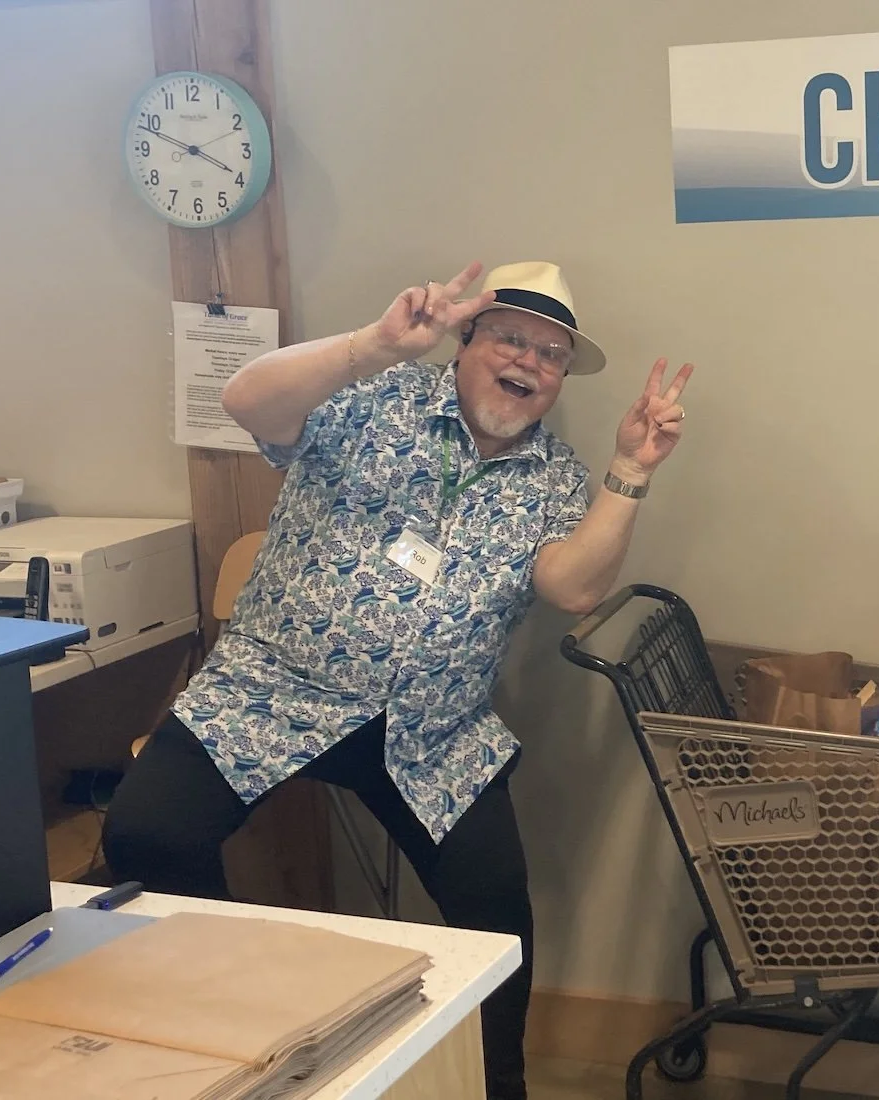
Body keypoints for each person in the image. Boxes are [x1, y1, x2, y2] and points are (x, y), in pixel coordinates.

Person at [102, 260, 693, 1100]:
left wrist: (631, 470)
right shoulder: (373, 399)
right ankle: (241, 1042)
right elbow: (246, 404)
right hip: (273, 694)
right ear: (465, 341)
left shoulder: (556, 479)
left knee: (500, 923)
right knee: (145, 835)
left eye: (552, 354)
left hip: (431, 732)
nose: (529, 362)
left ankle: (498, 1085)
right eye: (512, 339)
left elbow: (575, 587)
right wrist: (373, 344)